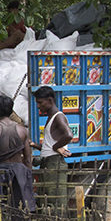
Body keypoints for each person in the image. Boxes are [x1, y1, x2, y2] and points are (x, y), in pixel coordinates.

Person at [32, 86, 72, 214]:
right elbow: (49, 146)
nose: (38, 106)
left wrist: (56, 147)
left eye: (40, 102)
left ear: (49, 100)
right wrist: (34, 144)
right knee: (47, 200)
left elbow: (68, 135)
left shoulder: (58, 117)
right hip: (48, 163)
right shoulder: (51, 118)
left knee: (55, 203)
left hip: (54, 164)